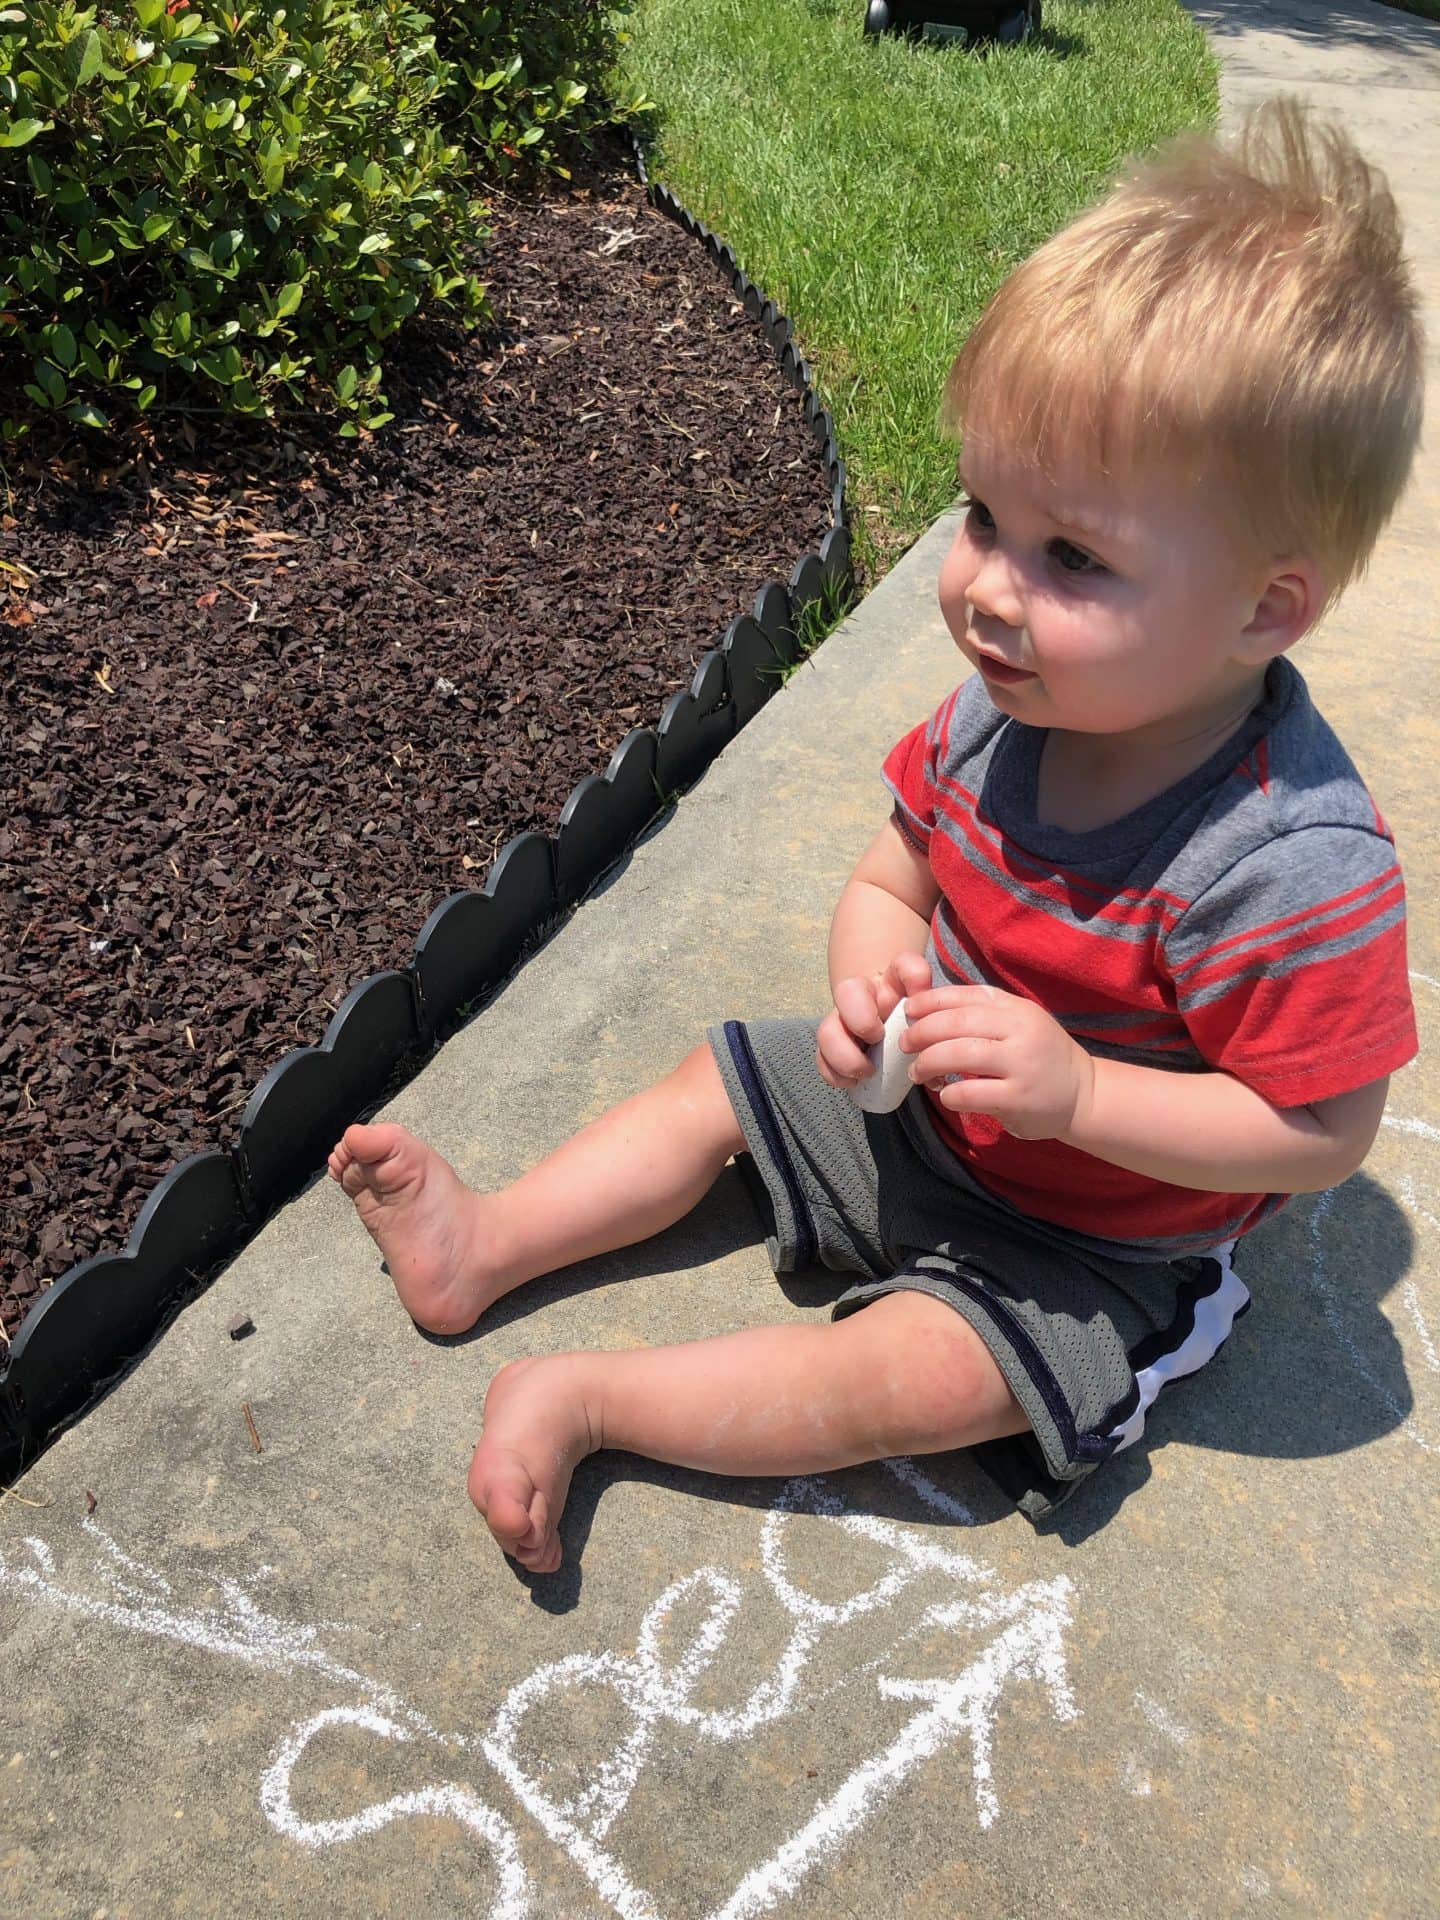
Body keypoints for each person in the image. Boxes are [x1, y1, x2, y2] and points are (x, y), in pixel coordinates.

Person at [329, 98, 1423, 1574]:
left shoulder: (1285, 860)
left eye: (1072, 556)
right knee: (720, 1077)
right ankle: (490, 1241)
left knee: (910, 1380)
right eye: (983, 513)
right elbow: (888, 877)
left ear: (1264, 610)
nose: (985, 587)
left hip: (1100, 1241)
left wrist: (1084, 1096)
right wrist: (871, 983)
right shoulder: (1002, 709)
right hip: (924, 1114)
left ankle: (591, 1403)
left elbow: (1321, 1131)